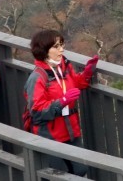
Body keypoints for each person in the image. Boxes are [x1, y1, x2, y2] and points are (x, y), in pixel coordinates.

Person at [25, 29, 99, 177]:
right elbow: (37, 111)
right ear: (44, 51)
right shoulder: (37, 77)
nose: (61, 49)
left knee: (80, 170)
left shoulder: (64, 66)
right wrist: (61, 102)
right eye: (56, 46)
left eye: (62, 45)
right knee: (60, 174)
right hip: (50, 136)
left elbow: (74, 84)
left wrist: (87, 74)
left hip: (71, 131)